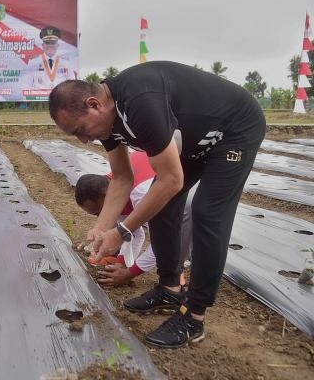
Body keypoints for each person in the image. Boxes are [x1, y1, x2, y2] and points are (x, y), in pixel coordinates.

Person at [49, 61, 265, 348]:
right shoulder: (108, 122)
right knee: (162, 204)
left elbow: (171, 180)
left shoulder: (139, 102)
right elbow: (122, 178)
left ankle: (194, 316)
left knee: (207, 210)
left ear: (94, 104)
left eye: (80, 130)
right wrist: (101, 228)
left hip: (234, 128)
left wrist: (122, 231)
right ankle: (169, 288)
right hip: (197, 139)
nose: (84, 139)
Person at [75, 154, 193, 287]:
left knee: (179, 240)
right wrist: (121, 263)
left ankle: (178, 276)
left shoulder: (141, 193)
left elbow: (162, 244)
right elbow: (132, 232)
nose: (101, 218)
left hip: (190, 190)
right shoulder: (114, 188)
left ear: (105, 196)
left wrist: (129, 273)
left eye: (99, 212)